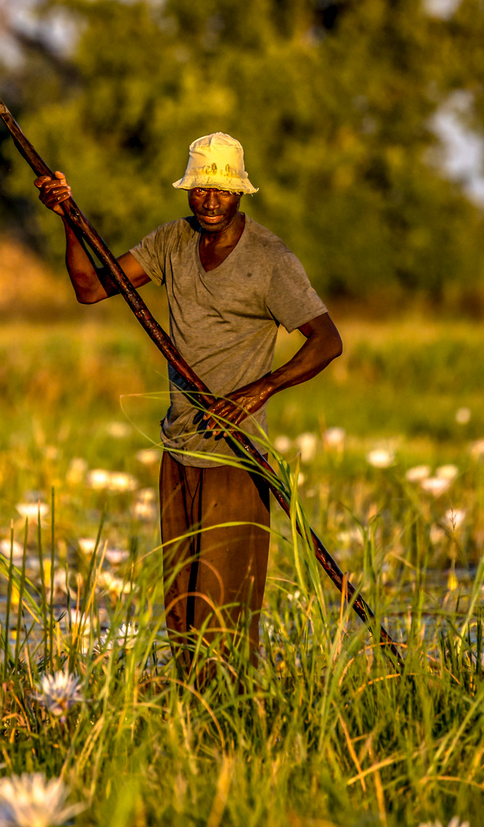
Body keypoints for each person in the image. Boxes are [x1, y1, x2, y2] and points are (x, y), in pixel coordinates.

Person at [36, 132, 342, 676]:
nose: (210, 201)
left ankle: (237, 727)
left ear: (240, 193)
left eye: (222, 191)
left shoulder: (271, 260)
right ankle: (189, 725)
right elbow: (89, 288)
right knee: (183, 611)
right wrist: (67, 215)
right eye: (201, 189)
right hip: (178, 449)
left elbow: (326, 340)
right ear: (189, 189)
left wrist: (257, 391)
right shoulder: (171, 243)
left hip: (236, 458)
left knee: (225, 610)